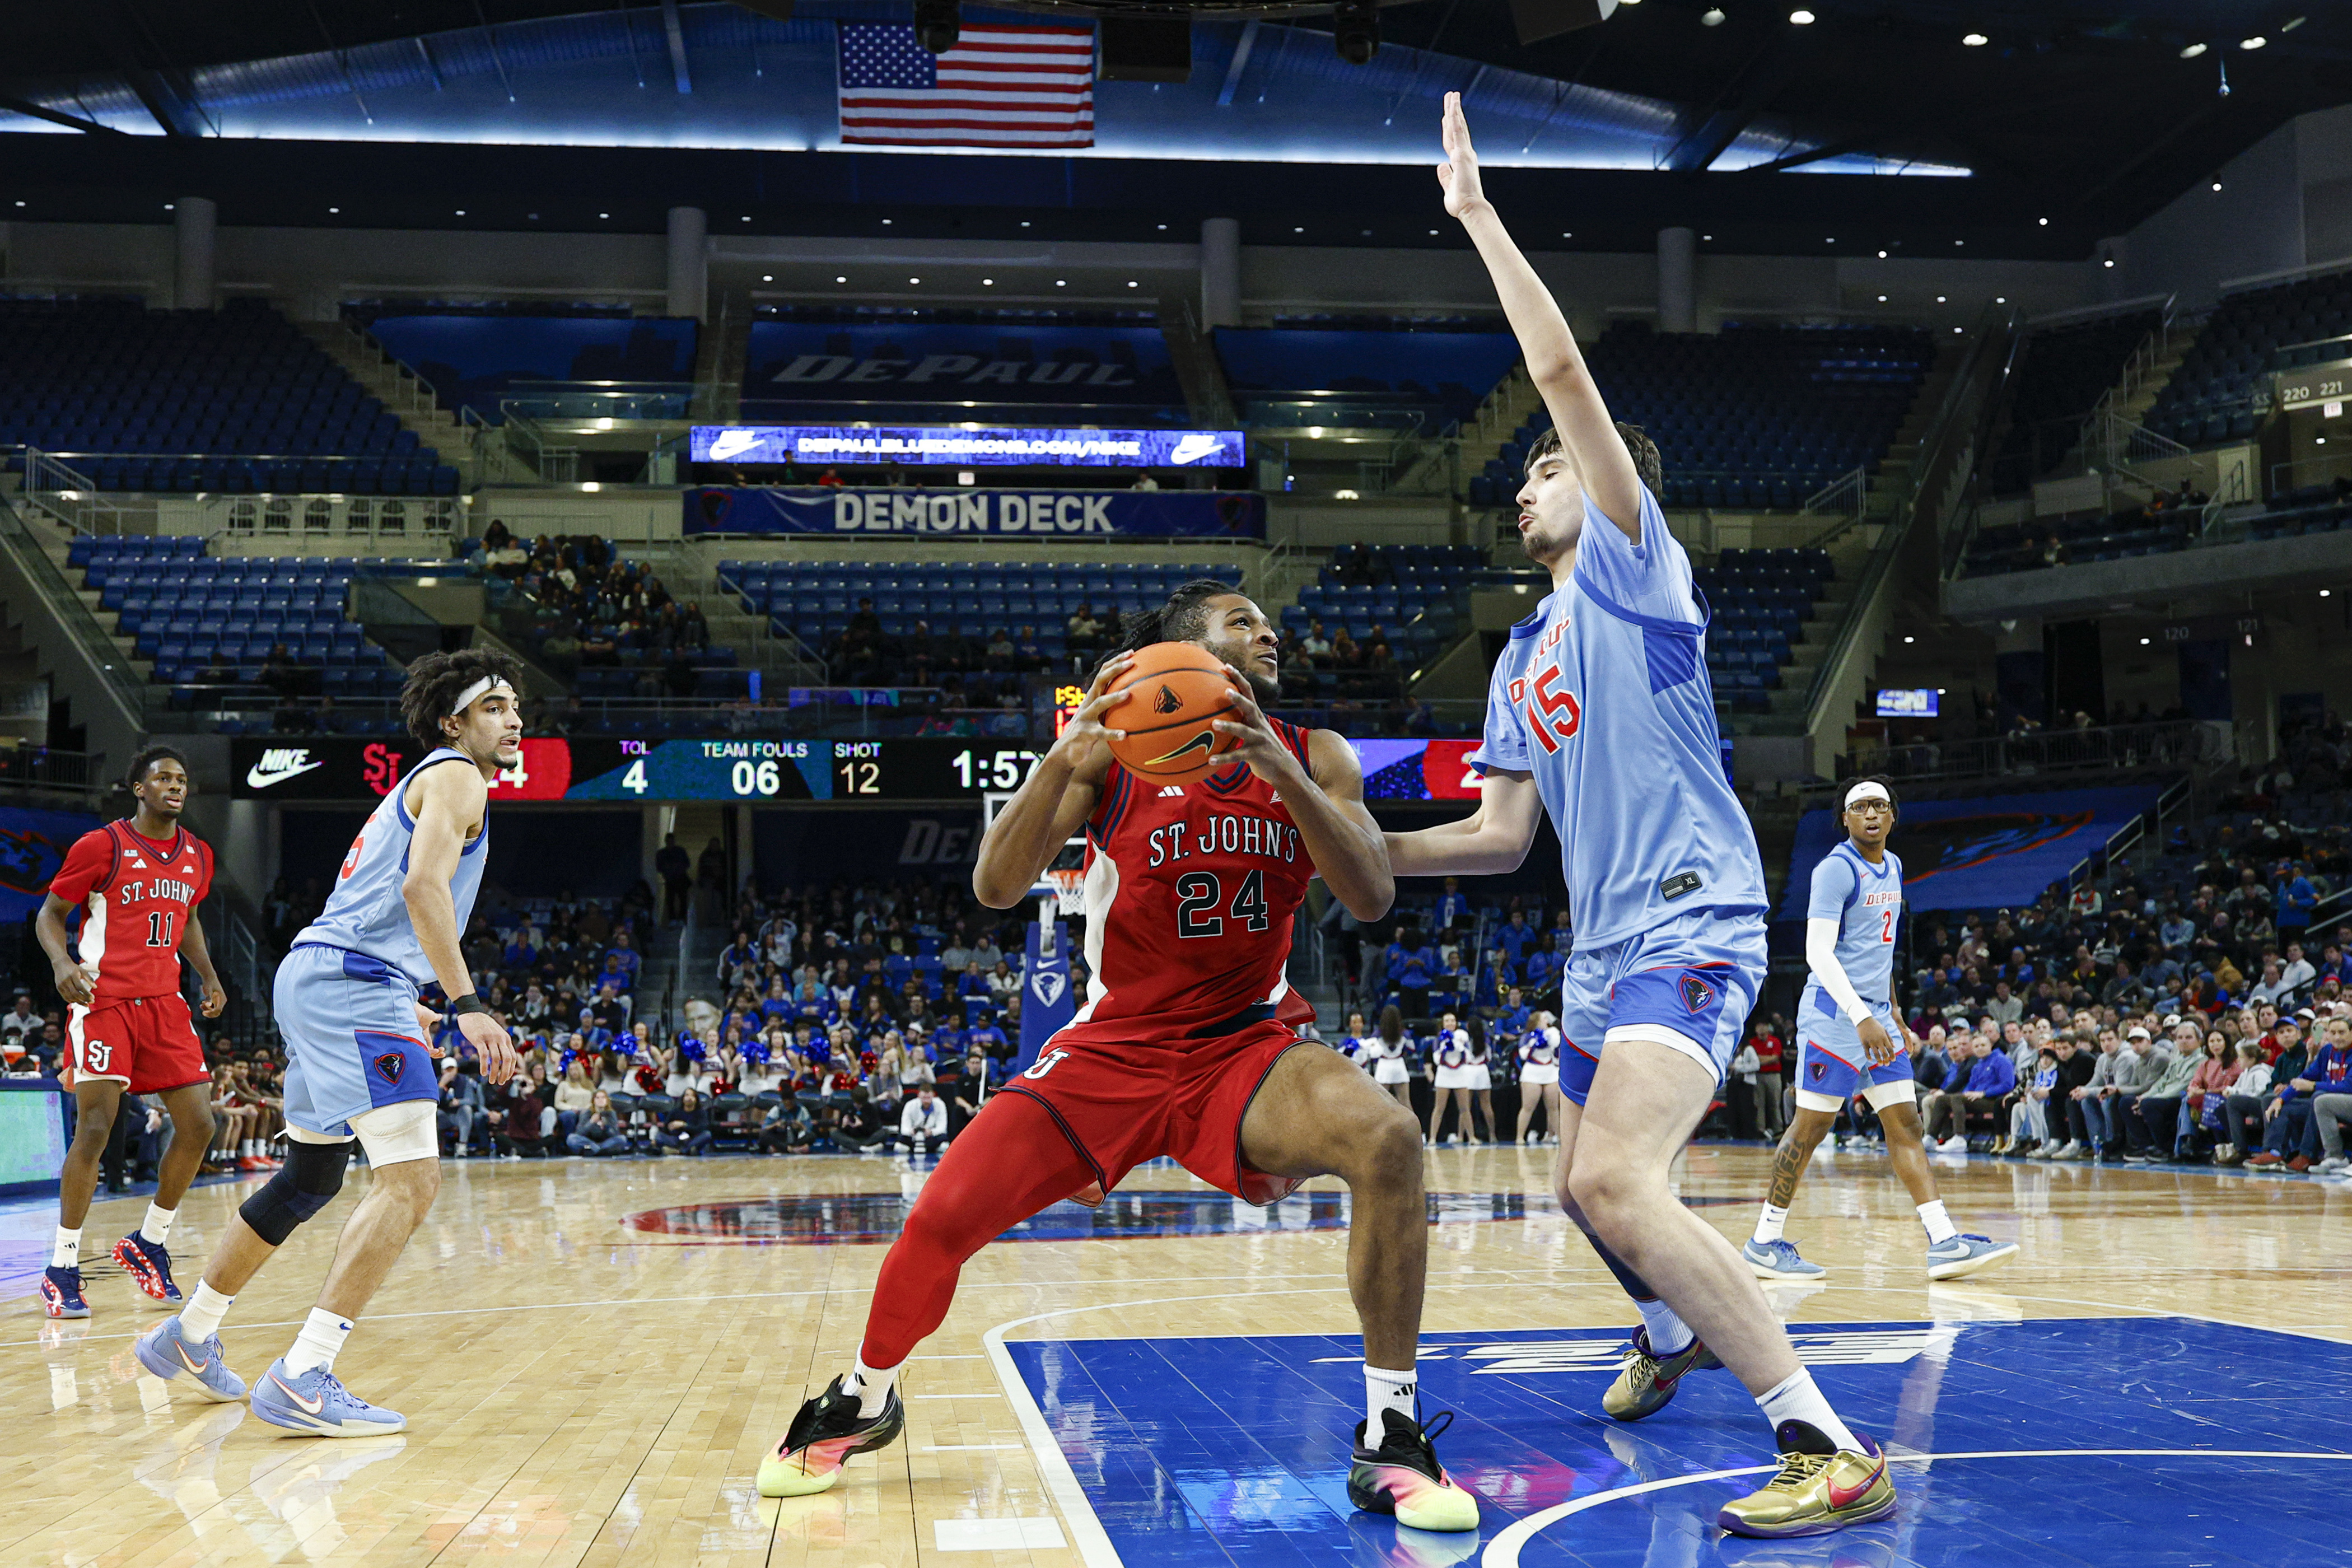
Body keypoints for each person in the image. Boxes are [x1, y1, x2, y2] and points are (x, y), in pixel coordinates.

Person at [1377, 94, 1889, 1542]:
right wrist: (1358, 850)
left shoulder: (1636, 570)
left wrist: (1479, 218)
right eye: (1536, 468)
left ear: (1603, 495)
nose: (1529, 477)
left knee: (1616, 1174)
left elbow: (1555, 367)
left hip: (1694, 916)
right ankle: (1667, 1336)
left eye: (1545, 463)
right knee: (1572, 1181)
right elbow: (1495, 839)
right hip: (1599, 948)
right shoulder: (1521, 657)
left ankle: (1825, 1443)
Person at [758, 578, 1474, 1533]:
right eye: (1239, 621)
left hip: (1247, 1043)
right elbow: (995, 883)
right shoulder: (1113, 753)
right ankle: (867, 1391)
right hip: (1114, 1049)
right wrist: (1064, 756)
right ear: (1185, 655)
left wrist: (1282, 771)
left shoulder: (1317, 754)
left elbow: (1374, 893)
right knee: (941, 1216)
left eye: (1266, 619)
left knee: (1389, 1139)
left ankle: (1391, 1432)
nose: (1266, 629)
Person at [134, 648, 524, 1434]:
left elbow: (390, 895)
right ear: (453, 724)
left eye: (516, 706)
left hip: (324, 974)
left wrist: (410, 998)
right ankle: (305, 1375)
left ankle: (190, 1334)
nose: (513, 718)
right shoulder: (457, 775)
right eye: (493, 707)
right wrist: (467, 1003)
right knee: (411, 1184)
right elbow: (421, 889)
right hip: (353, 983)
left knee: (311, 1176)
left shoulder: (426, 785)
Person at [1741, 778, 2014, 1284]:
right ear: (1844, 819)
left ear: (1894, 817)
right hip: (1834, 1019)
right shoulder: (1835, 871)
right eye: (1860, 807)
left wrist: (1892, 1013)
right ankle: (1762, 1242)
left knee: (1907, 1126)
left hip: (1877, 1018)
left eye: (1880, 806)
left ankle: (1943, 1242)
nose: (1871, 814)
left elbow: (1876, 951)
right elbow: (1818, 953)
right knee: (1810, 1130)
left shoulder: (1893, 866)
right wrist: (1861, 1016)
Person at [33, 745, 227, 1320]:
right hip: (105, 999)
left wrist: (210, 975)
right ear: (138, 788)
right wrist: (63, 964)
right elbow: (49, 914)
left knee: (199, 1124)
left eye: (183, 779)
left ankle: (148, 1242)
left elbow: (187, 918)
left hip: (165, 1003)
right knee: (96, 1127)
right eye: (164, 777)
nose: (176, 785)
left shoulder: (198, 854)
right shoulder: (103, 845)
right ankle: (62, 1267)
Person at [1515, 1010, 1564, 1144]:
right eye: (1544, 1019)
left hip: (1550, 1071)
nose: (1547, 1021)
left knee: (1554, 1108)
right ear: (1536, 1021)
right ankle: (1520, 1137)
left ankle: (1559, 1136)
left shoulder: (1552, 1033)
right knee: (1528, 1107)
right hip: (1532, 1072)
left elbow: (1557, 1045)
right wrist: (1535, 1043)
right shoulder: (1527, 1037)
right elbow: (1523, 1055)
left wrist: (1550, 1038)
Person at [567, 1090, 631, 1156]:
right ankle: (599, 1150)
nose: (601, 1100)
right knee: (571, 1138)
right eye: (598, 1098)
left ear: (607, 1100)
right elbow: (580, 1133)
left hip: (605, 1143)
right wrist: (591, 1122)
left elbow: (614, 1134)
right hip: (589, 1142)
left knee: (622, 1139)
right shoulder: (587, 1112)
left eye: (603, 1098)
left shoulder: (611, 1113)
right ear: (593, 1101)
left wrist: (605, 1126)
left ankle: (596, 1150)